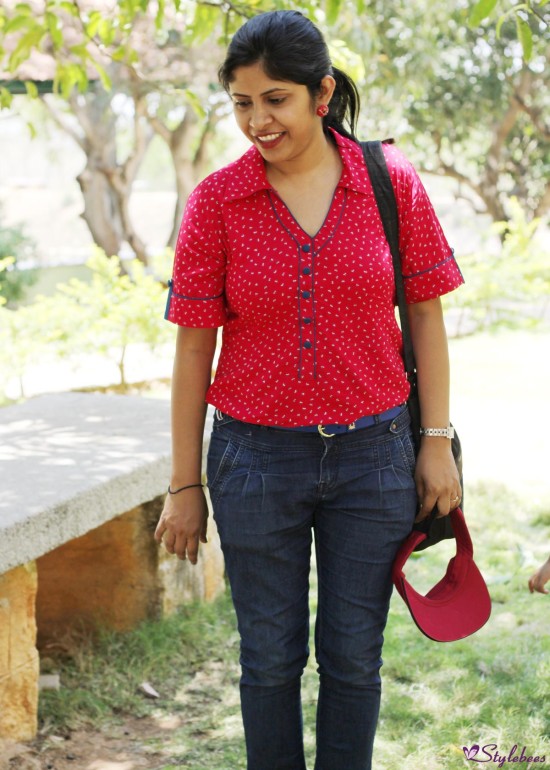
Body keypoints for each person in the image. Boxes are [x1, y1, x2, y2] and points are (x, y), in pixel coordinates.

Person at [154, 10, 463, 770]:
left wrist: (435, 442)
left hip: (377, 458)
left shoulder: (390, 184)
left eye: (276, 99)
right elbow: (196, 349)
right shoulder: (216, 203)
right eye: (241, 103)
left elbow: (424, 314)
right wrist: (183, 483)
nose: (257, 120)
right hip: (254, 462)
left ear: (322, 93)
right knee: (267, 662)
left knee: (355, 661)